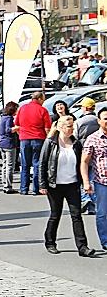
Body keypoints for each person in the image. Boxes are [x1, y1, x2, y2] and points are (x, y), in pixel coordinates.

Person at [39, 116, 95, 257]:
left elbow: (82, 164)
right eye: (69, 126)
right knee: (55, 215)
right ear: (61, 127)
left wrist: (84, 182)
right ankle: (50, 242)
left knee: (76, 216)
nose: (72, 129)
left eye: (72, 126)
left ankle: (82, 247)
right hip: (55, 185)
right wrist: (42, 184)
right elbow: (42, 164)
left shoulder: (76, 144)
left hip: (72, 185)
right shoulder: (50, 143)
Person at [14, 92, 52, 195]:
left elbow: (16, 124)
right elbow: (47, 128)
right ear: (39, 99)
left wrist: (21, 134)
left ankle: (24, 188)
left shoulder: (22, 108)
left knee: (25, 164)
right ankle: (36, 188)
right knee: (37, 164)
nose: (44, 101)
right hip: (38, 138)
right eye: (43, 99)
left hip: (24, 139)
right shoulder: (43, 110)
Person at [81, 107, 107, 251]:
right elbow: (84, 161)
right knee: (102, 213)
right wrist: (86, 181)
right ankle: (105, 240)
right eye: (105, 118)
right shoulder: (93, 139)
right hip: (102, 182)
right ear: (99, 121)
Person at [75, 97, 99, 214]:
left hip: (82, 152)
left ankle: (85, 198)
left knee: (83, 176)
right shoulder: (98, 120)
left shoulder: (79, 122)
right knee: (93, 178)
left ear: (85, 108)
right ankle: (92, 203)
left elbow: (74, 137)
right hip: (96, 153)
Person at [0, 102, 19, 194]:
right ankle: (8, 185)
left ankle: (4, 183)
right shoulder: (9, 118)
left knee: (5, 164)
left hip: (2, 142)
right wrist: (16, 128)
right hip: (9, 143)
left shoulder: (2, 117)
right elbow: (8, 130)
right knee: (10, 165)